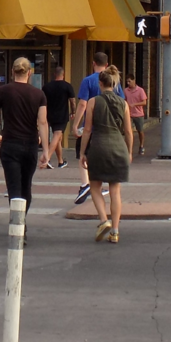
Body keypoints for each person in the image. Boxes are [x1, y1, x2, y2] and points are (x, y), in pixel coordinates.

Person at [0, 58, 51, 224]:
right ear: (29, 73)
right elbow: (43, 122)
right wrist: (45, 149)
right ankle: (21, 220)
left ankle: (17, 223)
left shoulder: (3, 91)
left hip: (10, 144)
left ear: (12, 72)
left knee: (14, 187)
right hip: (30, 144)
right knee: (26, 186)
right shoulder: (39, 94)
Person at [79, 66, 133, 244]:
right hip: (118, 146)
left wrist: (82, 152)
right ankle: (115, 231)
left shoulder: (93, 102)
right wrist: (130, 151)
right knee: (115, 190)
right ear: (114, 83)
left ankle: (103, 221)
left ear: (100, 84)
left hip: (99, 146)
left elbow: (87, 130)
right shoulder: (123, 103)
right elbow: (128, 131)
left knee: (95, 186)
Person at [71, 52, 123, 204]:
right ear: (106, 65)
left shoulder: (88, 81)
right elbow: (121, 103)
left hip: (91, 125)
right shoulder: (115, 82)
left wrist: (75, 124)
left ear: (93, 63)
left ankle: (85, 183)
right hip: (110, 127)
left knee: (83, 155)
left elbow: (82, 104)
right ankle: (103, 184)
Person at [41, 66, 76, 169]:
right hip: (62, 115)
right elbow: (72, 101)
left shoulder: (46, 87)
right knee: (57, 136)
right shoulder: (67, 86)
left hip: (49, 114)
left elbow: (42, 101)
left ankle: (61, 161)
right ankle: (47, 158)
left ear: (54, 74)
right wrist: (73, 112)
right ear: (63, 74)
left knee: (58, 139)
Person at [123, 74, 148, 156]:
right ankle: (128, 147)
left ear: (134, 81)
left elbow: (144, 102)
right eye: (127, 81)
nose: (128, 83)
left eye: (129, 81)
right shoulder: (126, 91)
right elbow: (124, 100)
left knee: (140, 131)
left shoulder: (140, 90)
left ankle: (141, 146)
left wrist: (135, 104)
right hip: (129, 114)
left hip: (138, 114)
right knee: (128, 131)